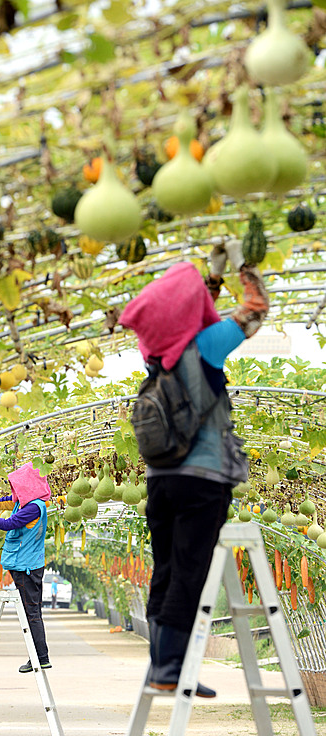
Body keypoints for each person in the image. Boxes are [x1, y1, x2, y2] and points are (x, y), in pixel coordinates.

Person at [119, 239, 269, 698]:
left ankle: (160, 664)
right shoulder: (205, 348)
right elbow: (257, 309)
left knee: (165, 568)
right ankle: (170, 670)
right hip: (202, 480)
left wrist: (214, 279)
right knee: (190, 570)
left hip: (160, 480)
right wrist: (243, 265)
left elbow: (188, 319)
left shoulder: (156, 352)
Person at [0, 461, 52, 673]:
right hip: (25, 563)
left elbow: (8, 524)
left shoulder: (33, 508)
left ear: (28, 485)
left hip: (26, 567)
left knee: (31, 612)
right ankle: (38, 656)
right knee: (32, 611)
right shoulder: (25, 502)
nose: (15, 491)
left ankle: (40, 657)